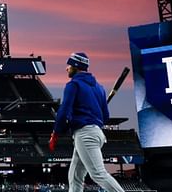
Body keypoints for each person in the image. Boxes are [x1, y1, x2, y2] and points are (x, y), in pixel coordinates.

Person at [49, 52, 124, 192]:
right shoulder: (100, 88)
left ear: (76, 66)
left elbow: (63, 112)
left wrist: (56, 132)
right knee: (75, 176)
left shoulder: (73, 85)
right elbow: (105, 117)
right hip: (95, 133)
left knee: (98, 174)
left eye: (69, 65)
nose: (67, 68)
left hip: (85, 135)